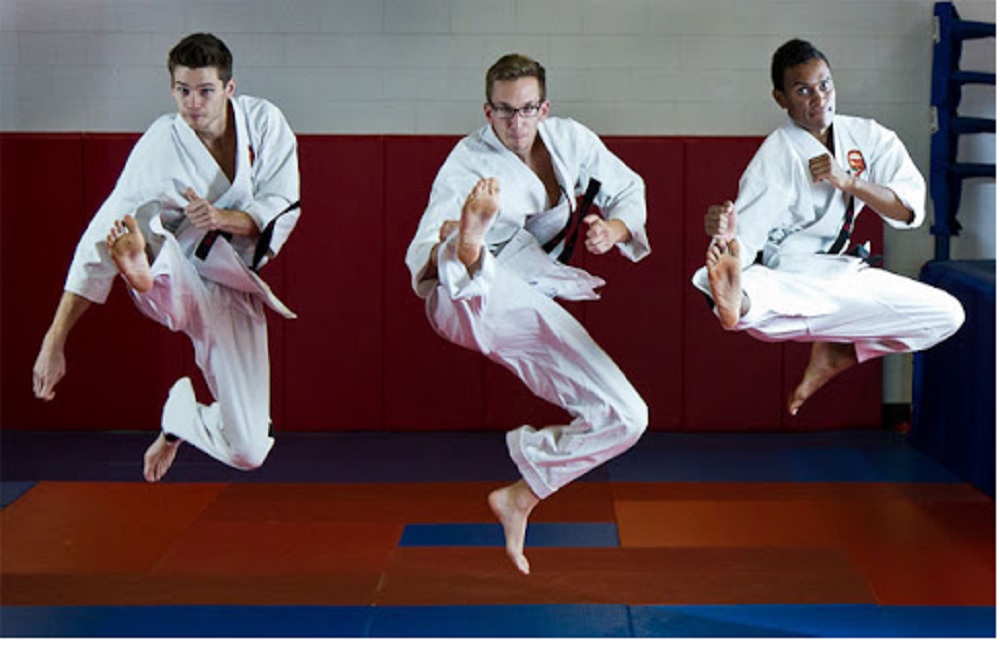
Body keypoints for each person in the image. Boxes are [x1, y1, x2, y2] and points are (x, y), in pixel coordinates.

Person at [405, 54, 650, 575]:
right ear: (487, 111)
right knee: (458, 257)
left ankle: (521, 495)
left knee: (629, 416)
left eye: (526, 109)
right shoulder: (468, 162)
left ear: (544, 108)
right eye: (504, 111)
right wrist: (460, 240)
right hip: (459, 298)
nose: (516, 123)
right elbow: (421, 251)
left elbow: (629, 189)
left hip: (525, 301)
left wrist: (615, 230)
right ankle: (469, 244)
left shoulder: (570, 140)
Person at [32, 33, 301, 482]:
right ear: (171, 88)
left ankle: (178, 417)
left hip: (237, 284)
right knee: (148, 243)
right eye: (182, 90)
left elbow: (284, 204)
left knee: (250, 449)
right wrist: (54, 340)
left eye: (205, 90)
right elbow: (97, 238)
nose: (193, 103)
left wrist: (222, 218)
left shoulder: (264, 123)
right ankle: (143, 266)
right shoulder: (162, 144)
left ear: (229, 88)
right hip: (184, 267)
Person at [692, 38, 964, 416]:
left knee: (947, 314)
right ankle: (737, 299)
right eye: (803, 90)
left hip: (844, 275)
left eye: (824, 85)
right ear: (780, 98)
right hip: (788, 276)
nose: (819, 98)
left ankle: (841, 351)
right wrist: (726, 237)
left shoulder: (870, 137)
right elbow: (747, 237)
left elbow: (907, 212)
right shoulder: (777, 154)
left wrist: (850, 182)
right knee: (752, 299)